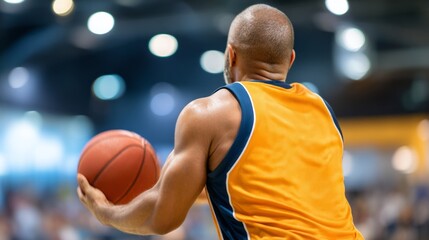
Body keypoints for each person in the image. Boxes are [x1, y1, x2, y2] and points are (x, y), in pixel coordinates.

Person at [77, 3, 364, 239]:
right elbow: (286, 195)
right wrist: (199, 187)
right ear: (289, 60)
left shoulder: (210, 113)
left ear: (231, 55)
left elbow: (162, 217)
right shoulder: (323, 112)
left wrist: (105, 211)